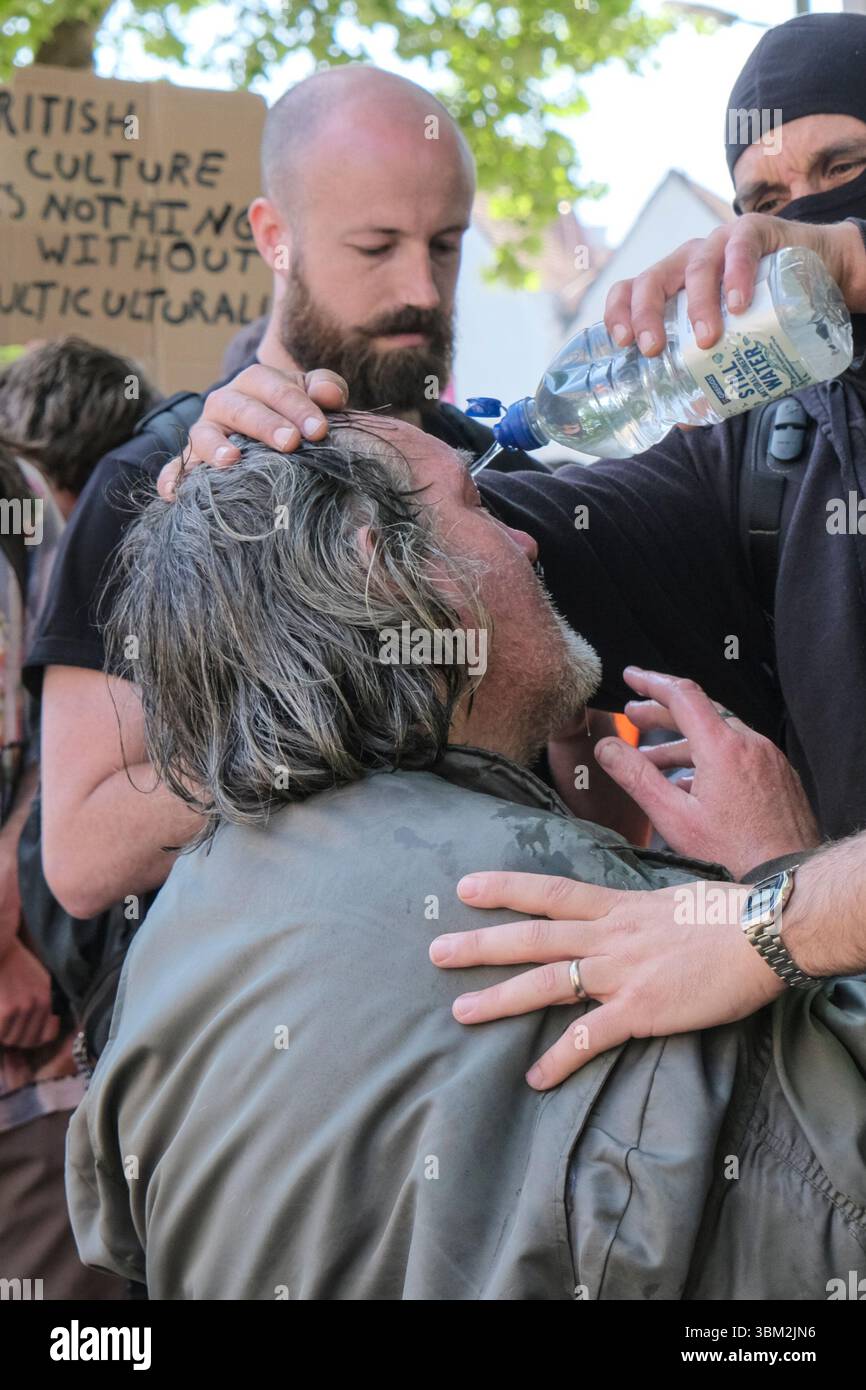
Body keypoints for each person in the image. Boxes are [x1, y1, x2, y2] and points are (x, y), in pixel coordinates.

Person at [172, 13, 866, 1062]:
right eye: (762, 200)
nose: (792, 221)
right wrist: (286, 465)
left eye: (842, 169)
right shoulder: (755, 451)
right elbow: (483, 530)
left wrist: (772, 909)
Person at [66, 416, 866, 1300]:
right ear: (388, 570)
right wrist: (779, 881)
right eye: (478, 504)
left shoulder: (180, 936)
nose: (529, 538)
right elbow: (836, 1213)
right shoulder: (606, 925)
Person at [26, 64, 546, 948]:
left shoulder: (503, 477)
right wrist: (352, 718)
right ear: (275, 237)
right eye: (377, 247)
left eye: (447, 244)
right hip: (256, 1038)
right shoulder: (155, 477)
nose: (422, 287)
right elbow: (83, 855)